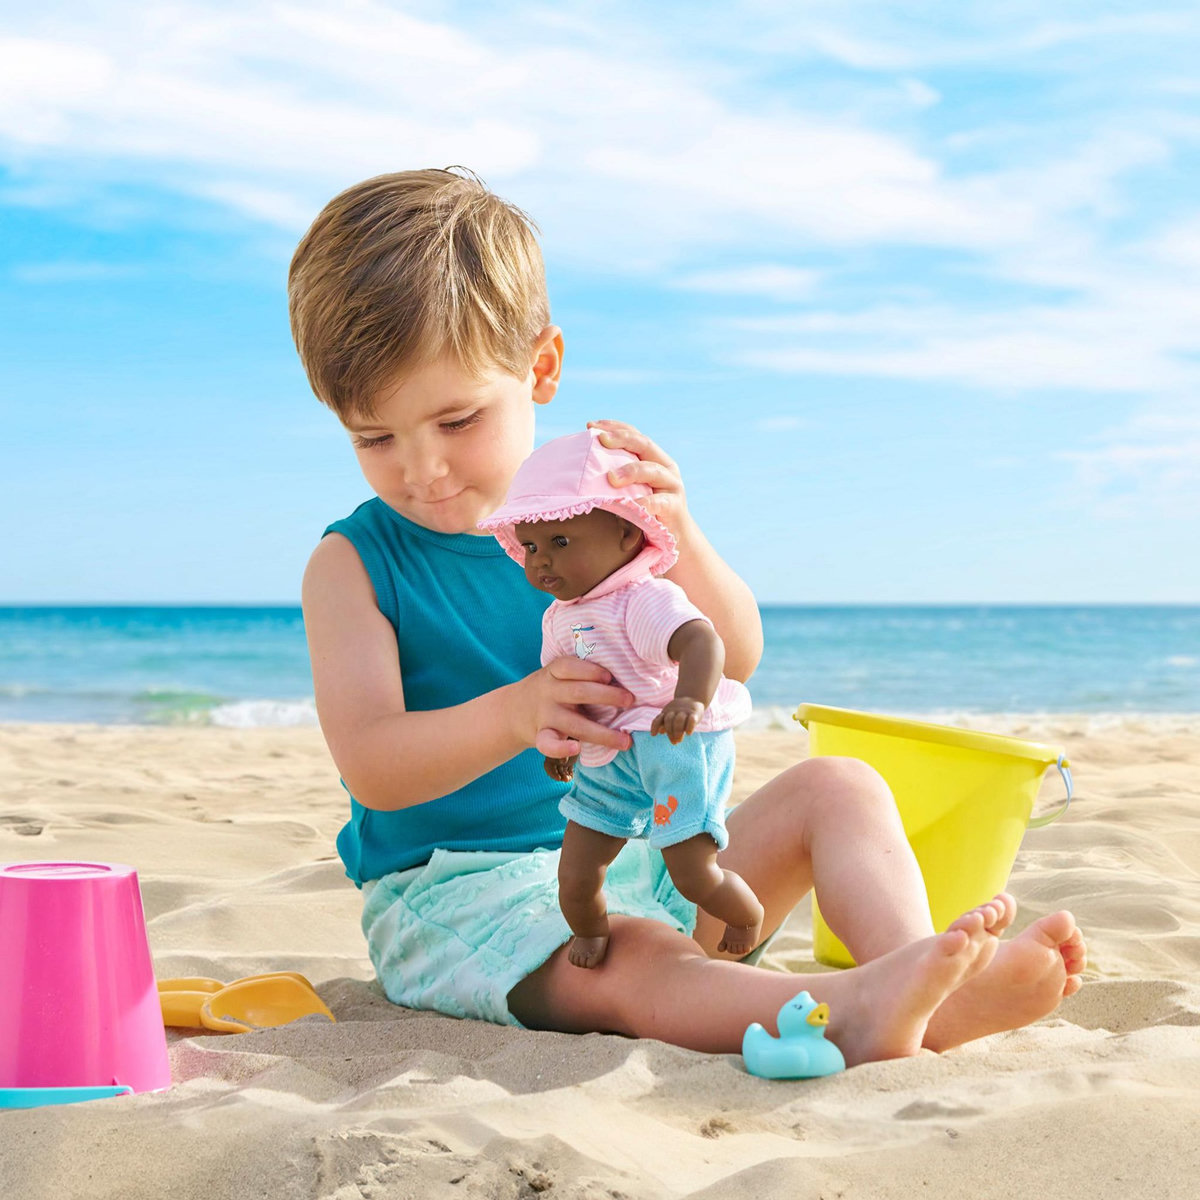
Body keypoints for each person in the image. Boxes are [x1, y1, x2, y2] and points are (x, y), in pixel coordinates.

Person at [289, 167, 1086, 1065]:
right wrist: (515, 713)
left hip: (652, 853)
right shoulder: (355, 564)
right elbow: (375, 764)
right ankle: (847, 1009)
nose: (423, 470)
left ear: (540, 368)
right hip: (465, 902)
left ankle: (916, 982)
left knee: (842, 786)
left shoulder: (603, 519)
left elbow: (734, 657)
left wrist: (680, 531)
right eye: (375, 438)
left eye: (458, 420)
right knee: (637, 955)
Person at [478, 428, 764, 968]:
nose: (541, 561)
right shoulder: (559, 619)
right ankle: (590, 932)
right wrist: (558, 743)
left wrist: (691, 700)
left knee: (692, 871)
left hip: (672, 742)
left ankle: (745, 913)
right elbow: (566, 691)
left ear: (628, 538)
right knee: (577, 872)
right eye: (532, 547)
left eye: (561, 542)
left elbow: (702, 640)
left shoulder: (643, 597)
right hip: (608, 754)